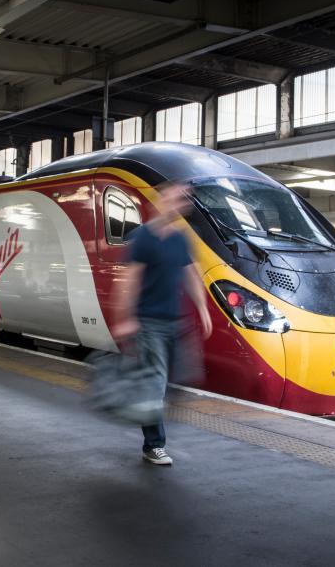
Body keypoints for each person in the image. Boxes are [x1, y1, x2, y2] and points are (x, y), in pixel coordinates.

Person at [111, 182, 212, 466]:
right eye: (177, 198)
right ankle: (153, 445)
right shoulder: (143, 237)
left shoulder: (180, 239)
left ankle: (140, 407)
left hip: (175, 323)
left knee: (175, 381)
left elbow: (190, 274)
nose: (181, 204)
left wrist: (203, 308)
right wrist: (126, 319)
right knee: (156, 383)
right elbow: (129, 282)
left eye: (184, 201)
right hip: (148, 322)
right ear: (161, 201)